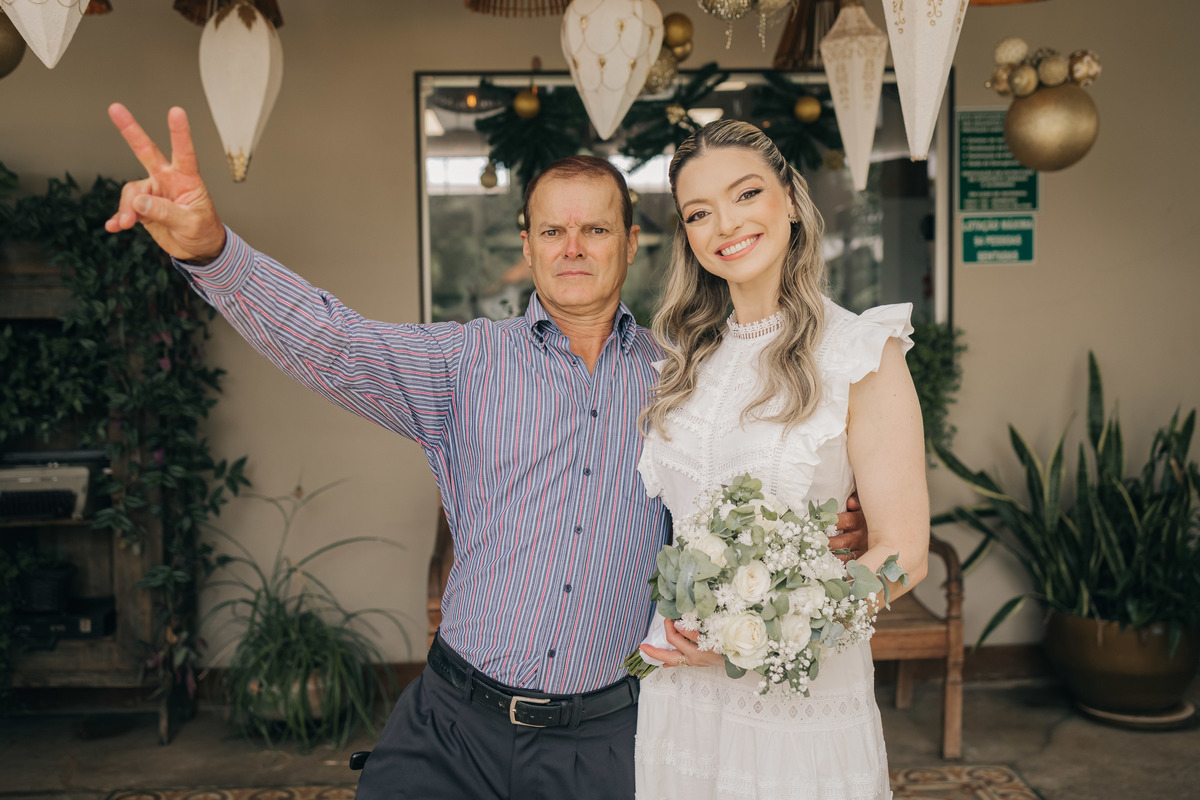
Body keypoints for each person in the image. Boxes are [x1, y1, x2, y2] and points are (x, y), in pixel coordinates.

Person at [102, 104, 870, 800]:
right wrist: (213, 253)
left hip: (607, 742)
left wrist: (833, 528)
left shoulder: (688, 379)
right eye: (553, 231)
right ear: (527, 246)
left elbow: (755, 485)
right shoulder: (462, 364)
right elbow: (332, 341)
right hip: (451, 728)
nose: (573, 248)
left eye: (597, 230)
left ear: (631, 244)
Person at [631, 119, 930, 800]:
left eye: (746, 194)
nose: (725, 224)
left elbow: (904, 556)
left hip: (799, 700)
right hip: (682, 694)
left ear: (790, 200)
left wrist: (758, 640)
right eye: (698, 213)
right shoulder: (681, 366)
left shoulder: (861, 354)